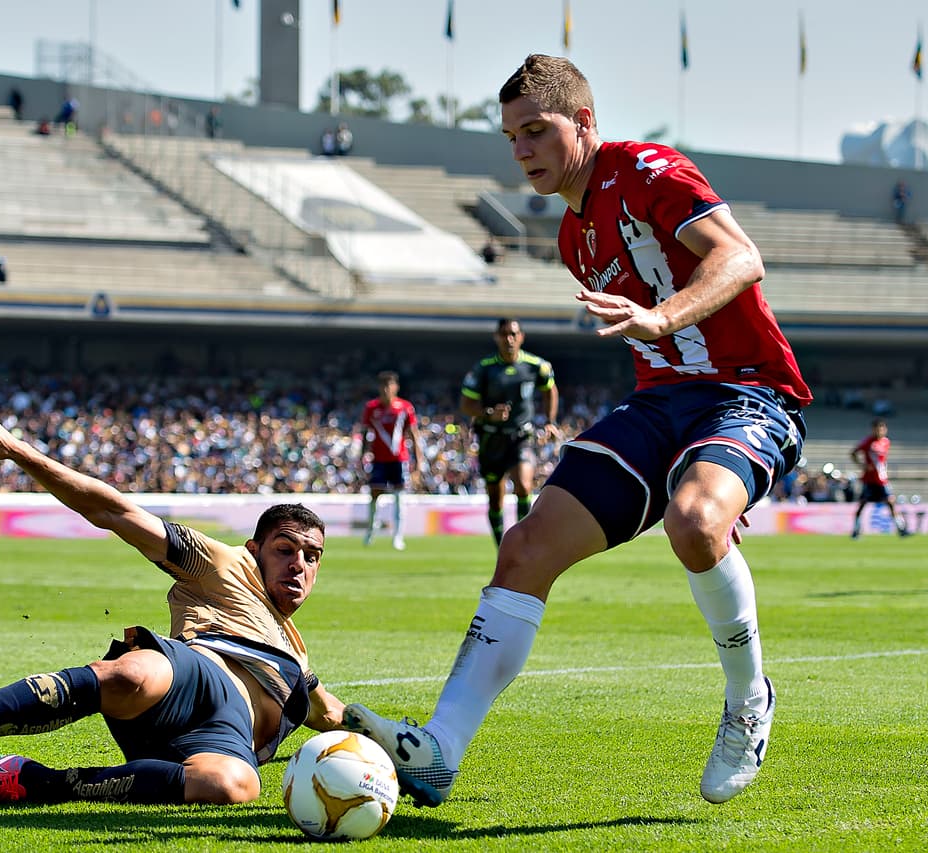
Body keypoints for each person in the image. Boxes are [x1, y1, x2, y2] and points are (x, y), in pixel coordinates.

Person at [342, 54, 811, 809]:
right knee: (523, 547)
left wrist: (664, 316)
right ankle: (440, 750)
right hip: (660, 406)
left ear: (584, 122)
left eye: (536, 130)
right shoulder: (572, 237)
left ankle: (749, 699)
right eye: (510, 138)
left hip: (748, 395)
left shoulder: (647, 168)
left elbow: (740, 256)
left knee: (694, 521)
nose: (522, 149)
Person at [0, 401, 346, 806]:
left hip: (225, 735)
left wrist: (411, 755)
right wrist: (15, 451)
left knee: (232, 786)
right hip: (193, 674)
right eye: (285, 549)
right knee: (133, 674)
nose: (299, 564)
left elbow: (337, 718)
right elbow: (113, 509)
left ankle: (33, 782)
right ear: (255, 548)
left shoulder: (297, 659)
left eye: (312, 556)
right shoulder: (224, 564)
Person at [461, 318, 559, 546]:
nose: (509, 339)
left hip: (521, 436)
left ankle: (522, 545)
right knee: (495, 499)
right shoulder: (484, 369)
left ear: (521, 337)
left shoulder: (536, 366)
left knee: (524, 485)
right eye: (504, 334)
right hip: (491, 438)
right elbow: (466, 405)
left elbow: (550, 389)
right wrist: (488, 412)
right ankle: (501, 549)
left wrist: (550, 421)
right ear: (496, 337)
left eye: (513, 334)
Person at [357, 371, 427, 551]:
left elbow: (414, 435)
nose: (386, 390)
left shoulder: (405, 407)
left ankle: (398, 536)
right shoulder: (372, 407)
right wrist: (361, 456)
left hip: (399, 459)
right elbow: (365, 434)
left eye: (390, 386)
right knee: (374, 494)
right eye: (383, 386)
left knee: (399, 496)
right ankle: (371, 531)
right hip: (379, 459)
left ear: (396, 387)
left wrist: (419, 461)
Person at [849, 418, 911, 539]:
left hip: (882, 480)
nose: (880, 430)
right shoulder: (868, 442)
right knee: (862, 504)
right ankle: (856, 530)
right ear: (873, 429)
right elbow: (853, 453)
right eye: (878, 428)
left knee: (891, 503)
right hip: (869, 480)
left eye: (883, 428)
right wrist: (863, 465)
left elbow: (881, 462)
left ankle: (901, 529)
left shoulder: (886, 442)